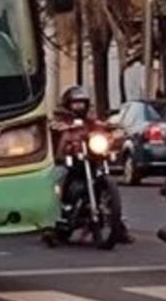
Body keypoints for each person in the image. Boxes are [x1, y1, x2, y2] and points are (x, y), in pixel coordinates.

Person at [47, 85, 133, 244]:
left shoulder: (91, 122)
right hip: (70, 160)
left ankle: (117, 224)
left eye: (82, 103)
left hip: (91, 157)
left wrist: (115, 128)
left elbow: (102, 126)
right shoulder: (61, 120)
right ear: (68, 104)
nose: (79, 107)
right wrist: (61, 127)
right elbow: (53, 126)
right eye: (75, 103)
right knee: (58, 177)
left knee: (107, 183)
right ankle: (55, 218)